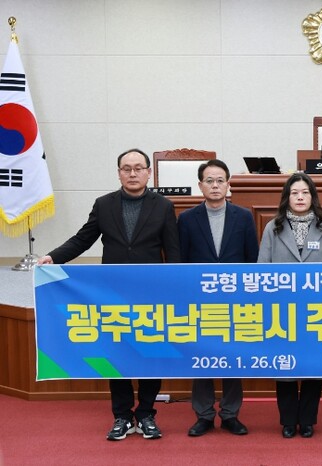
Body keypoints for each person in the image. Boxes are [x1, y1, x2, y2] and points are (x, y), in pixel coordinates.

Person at [37, 148, 180, 441]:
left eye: (138, 168)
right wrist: (54, 257)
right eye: (126, 168)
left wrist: (176, 287)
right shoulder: (104, 204)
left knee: (151, 353)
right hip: (112, 294)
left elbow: (173, 250)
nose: (132, 173)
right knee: (117, 353)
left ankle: (146, 413)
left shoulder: (163, 206)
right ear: (118, 173)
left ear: (148, 172)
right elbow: (83, 239)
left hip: (150, 295)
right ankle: (122, 416)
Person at [177, 159, 259, 437]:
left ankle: (230, 414)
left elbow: (251, 260)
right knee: (202, 356)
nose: (215, 185)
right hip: (199, 301)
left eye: (220, 180)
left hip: (235, 300)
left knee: (231, 357)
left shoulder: (243, 217)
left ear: (228, 184)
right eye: (209, 181)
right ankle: (203, 415)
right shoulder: (187, 219)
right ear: (200, 185)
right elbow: (181, 262)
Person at [258, 172, 322, 438]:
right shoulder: (273, 228)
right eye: (295, 193)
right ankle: (288, 420)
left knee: (314, 366)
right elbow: (262, 270)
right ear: (287, 197)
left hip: (316, 311)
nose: (300, 197)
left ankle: (307, 420)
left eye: (305, 192)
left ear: (312, 197)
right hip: (282, 311)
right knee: (285, 365)